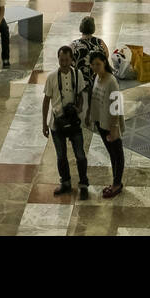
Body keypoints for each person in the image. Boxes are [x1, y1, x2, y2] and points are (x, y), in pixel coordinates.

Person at [42, 45, 89, 199]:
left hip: (74, 121)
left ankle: (83, 184)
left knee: (80, 155)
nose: (64, 63)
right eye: (61, 59)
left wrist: (79, 108)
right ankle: (66, 183)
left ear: (71, 60)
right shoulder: (51, 77)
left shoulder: (78, 74)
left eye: (67, 60)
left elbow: (81, 94)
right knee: (61, 156)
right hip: (57, 123)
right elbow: (46, 100)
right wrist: (44, 123)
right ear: (58, 59)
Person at [86, 50, 124, 198]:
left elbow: (116, 105)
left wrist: (114, 128)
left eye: (98, 64)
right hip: (100, 121)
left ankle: (117, 184)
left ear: (104, 63)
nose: (95, 67)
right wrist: (90, 115)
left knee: (117, 154)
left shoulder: (111, 81)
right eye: (93, 64)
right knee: (112, 153)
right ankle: (116, 182)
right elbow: (94, 98)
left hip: (110, 124)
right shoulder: (97, 77)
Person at [71, 16, 108, 94]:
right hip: (97, 83)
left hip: (79, 85)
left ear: (81, 27)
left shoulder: (74, 45)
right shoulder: (100, 42)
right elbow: (106, 58)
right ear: (93, 28)